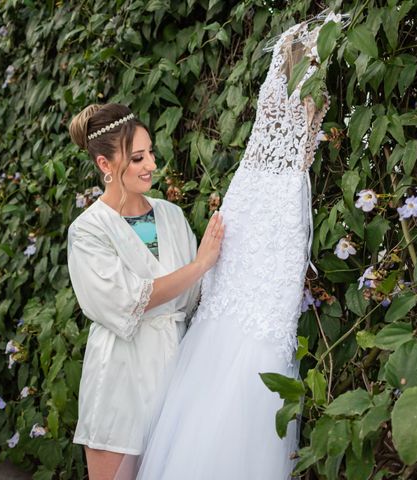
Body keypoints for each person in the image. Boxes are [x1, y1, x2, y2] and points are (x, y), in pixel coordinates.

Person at [136, 18, 331, 480]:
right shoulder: (301, 71)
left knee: (248, 338)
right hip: (262, 210)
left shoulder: (286, 71)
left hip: (260, 205)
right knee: (237, 331)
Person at [66, 103, 224, 480]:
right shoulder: (89, 231)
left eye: (150, 152)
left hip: (175, 377)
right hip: (119, 380)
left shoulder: (171, 216)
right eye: (137, 157)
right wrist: (199, 265)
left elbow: (193, 299)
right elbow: (127, 300)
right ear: (106, 165)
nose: (151, 164)